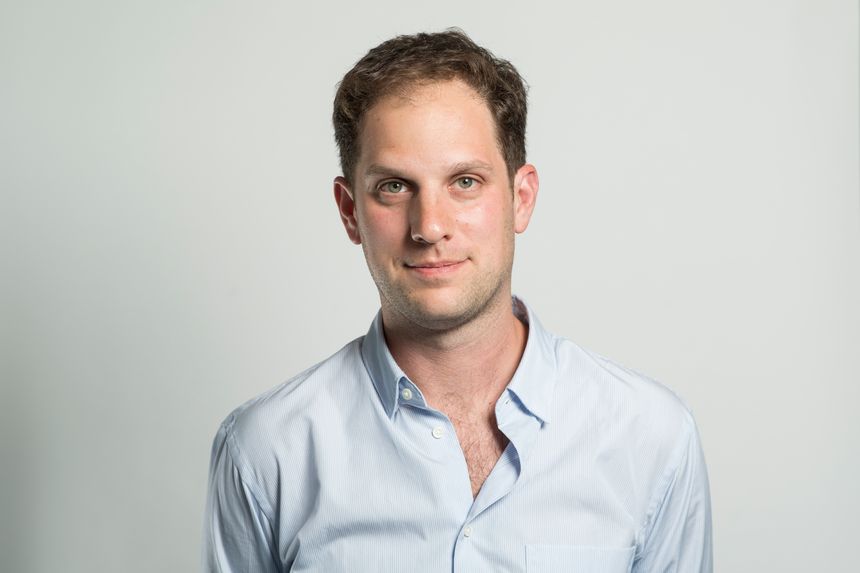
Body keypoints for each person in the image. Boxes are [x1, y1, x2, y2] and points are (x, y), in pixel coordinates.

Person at [202, 29, 712, 572]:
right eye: (394, 186)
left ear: (521, 198)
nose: (430, 226)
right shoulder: (267, 453)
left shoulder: (651, 437)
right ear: (350, 211)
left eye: (465, 181)